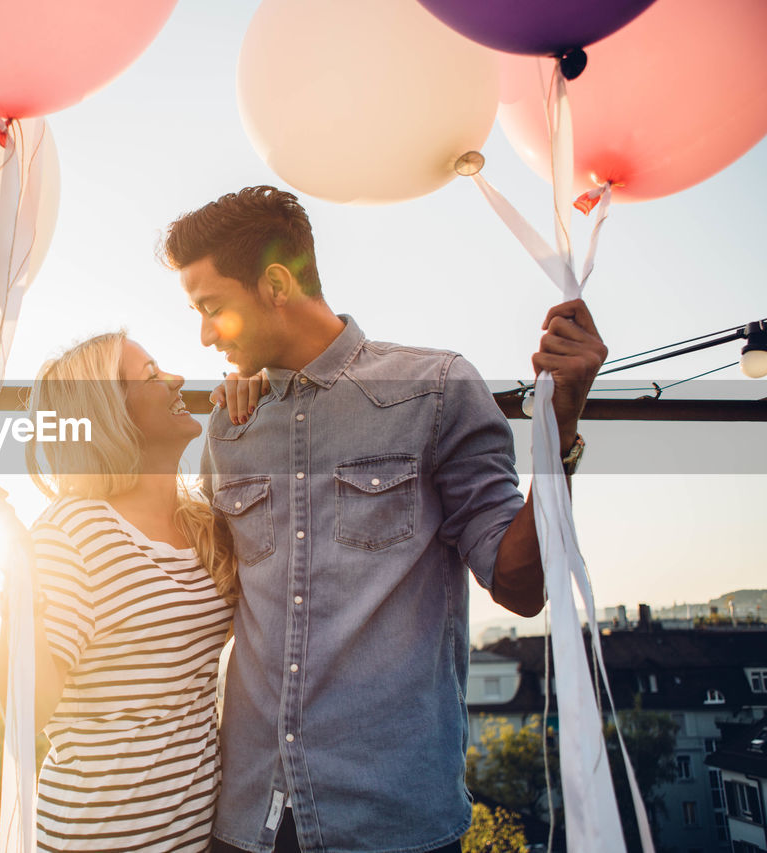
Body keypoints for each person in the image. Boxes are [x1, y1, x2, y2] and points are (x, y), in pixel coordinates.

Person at [160, 186, 607, 853]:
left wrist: (558, 426)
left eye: (212, 308)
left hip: (390, 825)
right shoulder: (232, 424)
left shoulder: (435, 390)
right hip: (247, 820)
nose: (202, 334)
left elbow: (519, 585)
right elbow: (207, 588)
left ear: (277, 283)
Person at [0, 331, 237, 852]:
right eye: (150, 375)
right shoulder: (71, 533)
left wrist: (262, 401)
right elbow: (25, 711)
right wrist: (19, 597)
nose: (174, 379)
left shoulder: (200, 524)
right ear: (110, 414)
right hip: (97, 836)